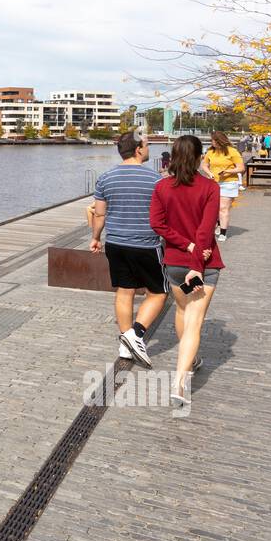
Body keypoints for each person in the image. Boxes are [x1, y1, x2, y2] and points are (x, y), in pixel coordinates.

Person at [150, 135, 222, 410]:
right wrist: (197, 255)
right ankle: (180, 381)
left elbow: (157, 223)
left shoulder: (162, 187)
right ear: (199, 156)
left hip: (175, 262)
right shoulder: (210, 187)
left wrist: (184, 244)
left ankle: (189, 358)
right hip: (203, 263)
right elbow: (206, 228)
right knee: (195, 321)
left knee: (182, 312)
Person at [90, 132, 168, 367]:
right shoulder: (156, 179)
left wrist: (95, 237)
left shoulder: (106, 177)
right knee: (158, 292)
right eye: (147, 145)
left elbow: (100, 214)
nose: (149, 149)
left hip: (115, 243)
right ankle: (136, 334)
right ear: (138, 149)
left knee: (125, 291)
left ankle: (126, 346)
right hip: (146, 243)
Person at [201, 131, 244, 242]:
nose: (212, 142)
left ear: (219, 141)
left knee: (223, 208)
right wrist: (209, 173)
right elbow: (204, 165)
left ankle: (223, 232)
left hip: (229, 183)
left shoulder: (232, 151)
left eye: (213, 140)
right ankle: (219, 223)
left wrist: (228, 171)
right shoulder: (211, 151)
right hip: (214, 183)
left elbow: (241, 168)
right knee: (214, 207)